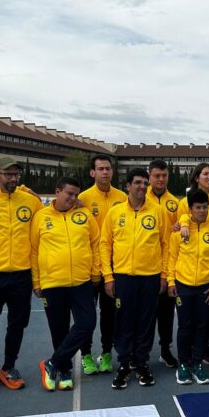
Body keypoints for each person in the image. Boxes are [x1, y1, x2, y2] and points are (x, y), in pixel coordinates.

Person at [0, 157, 44, 393]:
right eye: (8, 174)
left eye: (16, 174)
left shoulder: (30, 201)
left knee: (17, 324)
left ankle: (8, 367)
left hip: (22, 275)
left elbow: (48, 220)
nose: (13, 179)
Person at [100, 168, 168, 389]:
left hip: (150, 277)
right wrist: (108, 277)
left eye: (145, 183)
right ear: (127, 186)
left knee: (146, 323)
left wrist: (164, 275)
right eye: (137, 182)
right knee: (124, 321)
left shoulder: (157, 212)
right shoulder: (115, 212)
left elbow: (166, 245)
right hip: (123, 277)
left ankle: (141, 363)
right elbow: (105, 245)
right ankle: (124, 364)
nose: (142, 186)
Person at [34, 177, 101, 391]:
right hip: (52, 282)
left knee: (87, 323)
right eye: (69, 194)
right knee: (59, 329)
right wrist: (36, 281)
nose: (72, 198)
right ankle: (63, 370)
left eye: (76, 195)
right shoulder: (41, 217)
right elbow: (33, 251)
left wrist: (96, 271)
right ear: (57, 192)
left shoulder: (84, 214)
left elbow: (96, 243)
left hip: (81, 281)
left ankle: (52, 363)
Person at [167, 189, 209, 385]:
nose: (202, 211)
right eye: (198, 208)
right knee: (185, 327)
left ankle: (198, 363)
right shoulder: (179, 231)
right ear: (190, 209)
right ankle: (183, 364)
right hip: (183, 286)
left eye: (205, 207)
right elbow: (172, 258)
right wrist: (170, 282)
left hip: (206, 288)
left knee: (202, 327)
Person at [77, 155, 127, 375]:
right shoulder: (83, 198)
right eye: (100, 169)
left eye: (108, 168)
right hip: (88, 267)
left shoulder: (122, 197)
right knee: (86, 316)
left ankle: (106, 353)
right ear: (92, 173)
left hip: (115, 266)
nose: (105, 172)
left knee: (110, 315)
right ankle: (86, 355)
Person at [146, 159, 180, 369]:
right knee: (145, 315)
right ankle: (142, 353)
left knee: (166, 315)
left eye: (164, 176)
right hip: (145, 268)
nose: (160, 179)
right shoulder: (139, 198)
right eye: (156, 176)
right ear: (150, 177)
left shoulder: (174, 202)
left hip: (167, 266)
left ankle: (165, 350)